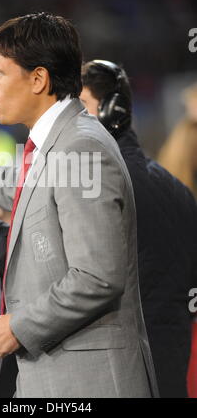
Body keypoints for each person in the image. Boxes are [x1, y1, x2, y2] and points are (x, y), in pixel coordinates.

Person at [0, 12, 158, 398]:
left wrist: (20, 325)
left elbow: (97, 275)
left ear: (38, 79)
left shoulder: (82, 147)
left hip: (89, 382)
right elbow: (21, 188)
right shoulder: (61, 142)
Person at [80, 59, 197, 397]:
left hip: (121, 372)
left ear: (110, 111)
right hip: (170, 367)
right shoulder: (176, 187)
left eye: (80, 107)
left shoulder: (100, 184)